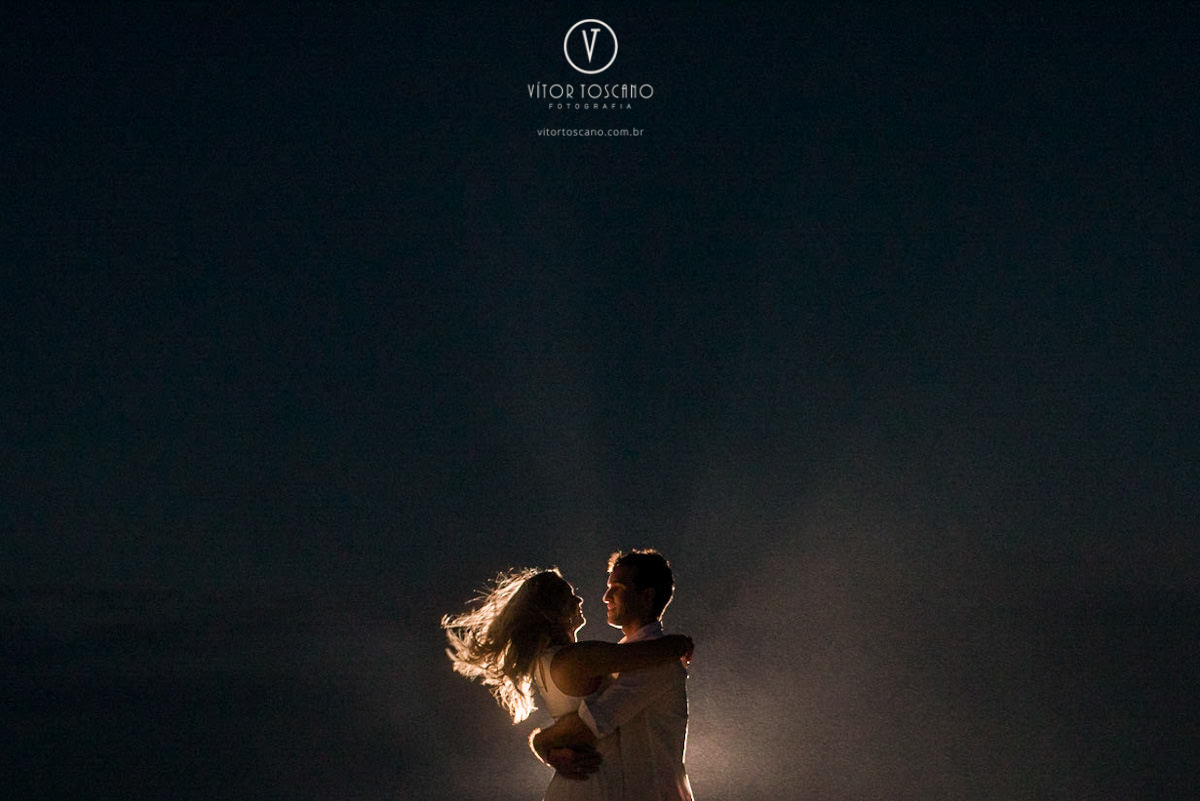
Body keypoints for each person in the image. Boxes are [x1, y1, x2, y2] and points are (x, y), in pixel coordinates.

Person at [442, 566, 693, 801]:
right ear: (553, 612)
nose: (579, 601)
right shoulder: (576, 659)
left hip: (578, 784)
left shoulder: (548, 660)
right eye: (569, 596)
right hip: (590, 784)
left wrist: (544, 745)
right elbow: (641, 655)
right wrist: (679, 643)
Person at [531, 550, 695, 801]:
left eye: (617, 588)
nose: (606, 596)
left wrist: (543, 743)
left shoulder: (656, 664)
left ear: (646, 596)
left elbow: (590, 725)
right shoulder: (628, 656)